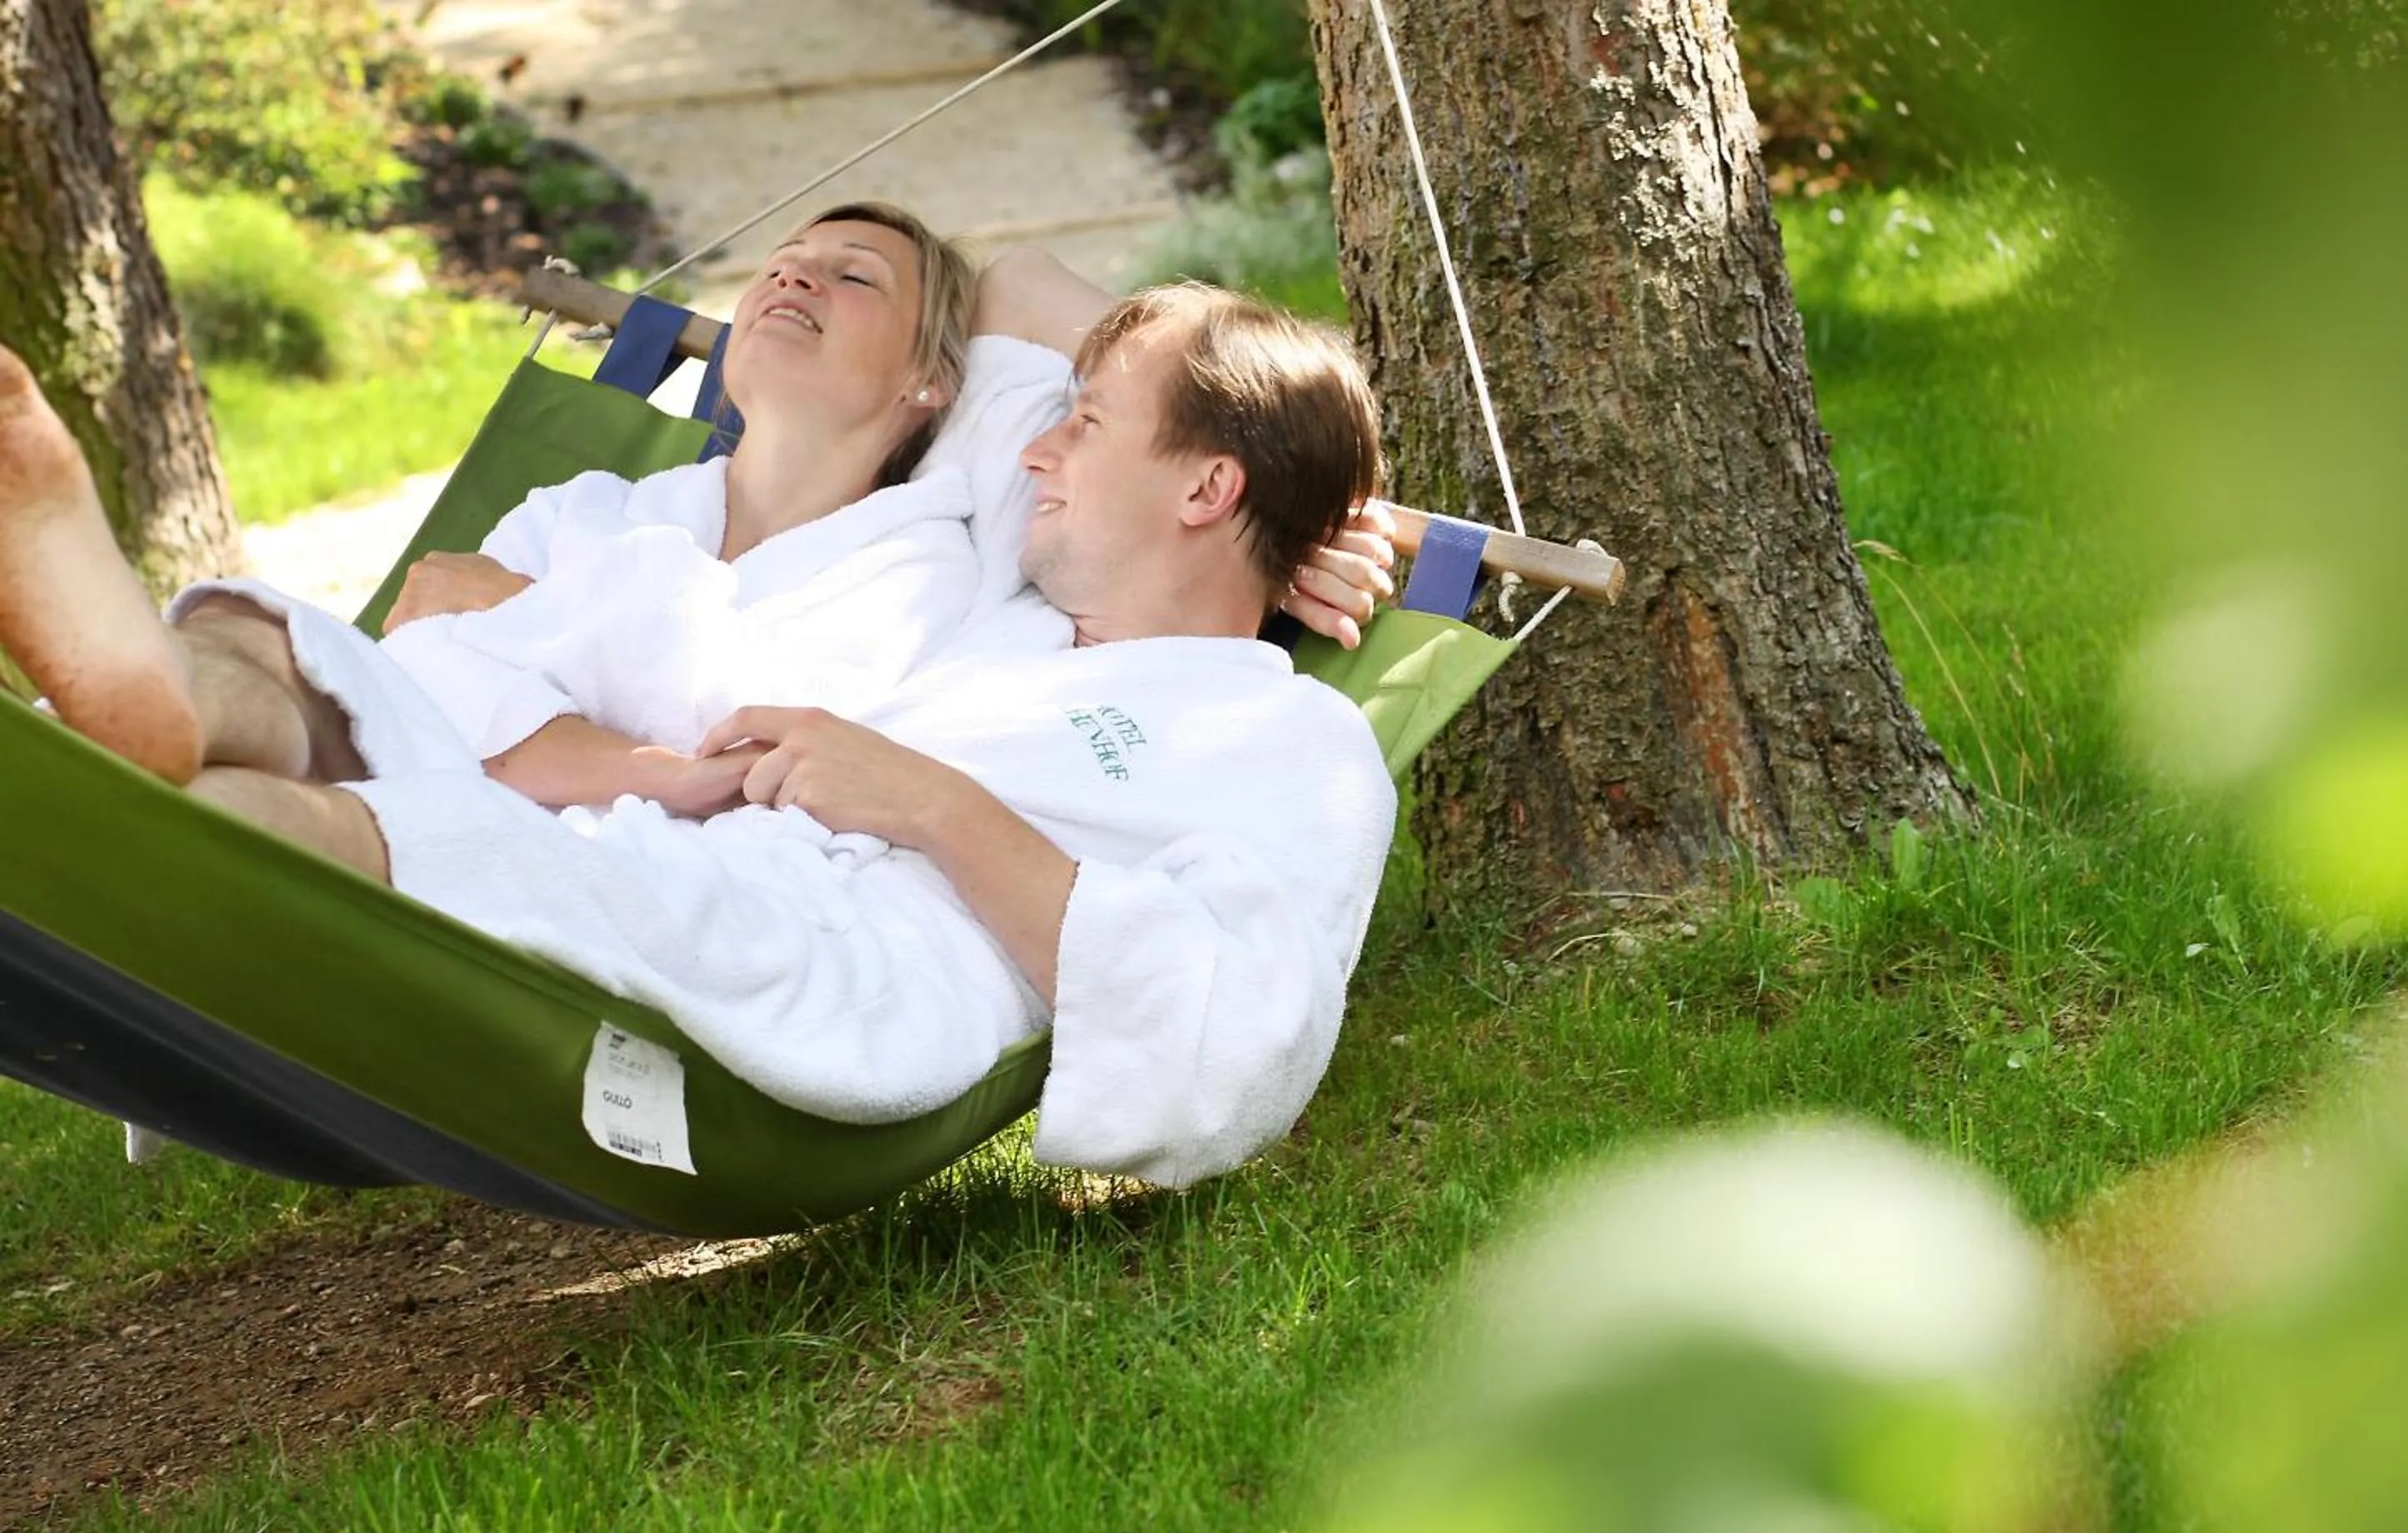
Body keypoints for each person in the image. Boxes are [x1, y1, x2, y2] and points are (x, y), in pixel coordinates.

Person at [0, 273, 1401, 1185]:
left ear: (1206, 491)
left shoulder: (1287, 742)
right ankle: (161, 699)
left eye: (1086, 424)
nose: (1039, 444)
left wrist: (928, 802)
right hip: (691, 863)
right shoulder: (1006, 588)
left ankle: (100, 831)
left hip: (836, 969)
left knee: (440, 841)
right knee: (320, 668)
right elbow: (1010, 288)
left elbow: (1243, 1046)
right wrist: (1290, 465)